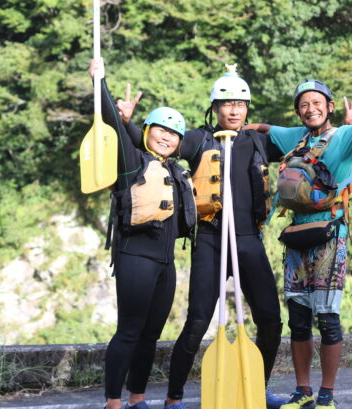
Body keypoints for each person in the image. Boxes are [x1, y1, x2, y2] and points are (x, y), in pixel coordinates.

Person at [120, 64, 287, 409]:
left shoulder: (259, 140)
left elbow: (308, 137)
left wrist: (269, 126)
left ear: (247, 109)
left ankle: (257, 389)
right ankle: (173, 398)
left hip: (247, 241)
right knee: (197, 322)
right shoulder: (199, 140)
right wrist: (126, 122)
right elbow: (154, 144)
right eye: (227, 104)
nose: (234, 110)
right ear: (215, 108)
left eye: (241, 104)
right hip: (210, 241)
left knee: (271, 320)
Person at [246, 79, 352, 409]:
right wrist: (238, 127)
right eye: (304, 105)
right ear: (298, 111)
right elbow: (263, 127)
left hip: (330, 236)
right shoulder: (294, 137)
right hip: (296, 236)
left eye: (317, 103)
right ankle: (302, 390)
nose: (311, 109)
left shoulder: (345, 137)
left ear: (330, 107)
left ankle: (326, 394)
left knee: (327, 317)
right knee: (297, 318)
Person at [88, 58, 197, 409]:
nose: (165, 136)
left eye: (173, 133)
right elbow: (110, 123)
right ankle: (113, 402)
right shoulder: (132, 160)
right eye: (159, 129)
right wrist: (99, 81)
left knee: (151, 334)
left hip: (166, 263)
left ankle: (137, 399)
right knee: (130, 331)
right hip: (136, 257)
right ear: (147, 131)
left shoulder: (174, 170)